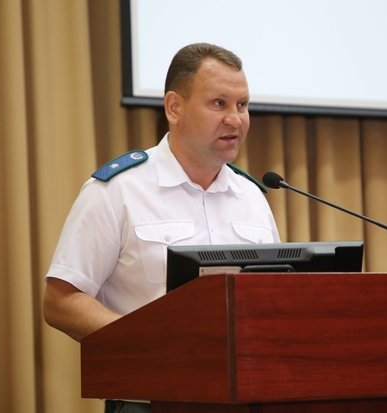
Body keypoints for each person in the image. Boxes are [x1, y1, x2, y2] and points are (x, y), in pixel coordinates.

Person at [43, 42, 280, 413]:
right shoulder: (118, 189)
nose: (235, 119)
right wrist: (150, 344)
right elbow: (60, 301)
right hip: (148, 401)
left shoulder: (251, 196)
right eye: (219, 103)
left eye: (242, 104)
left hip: (244, 401)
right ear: (174, 108)